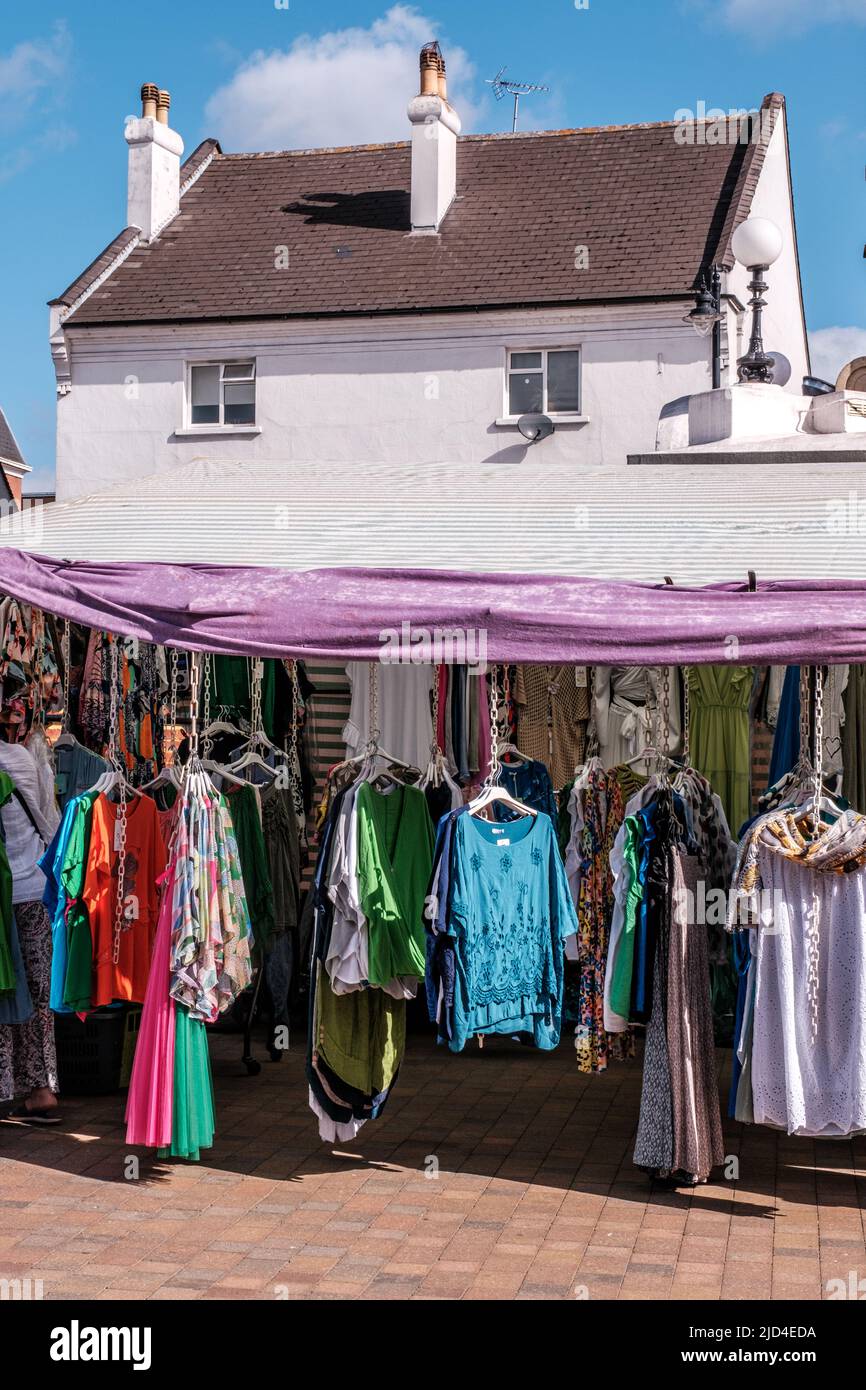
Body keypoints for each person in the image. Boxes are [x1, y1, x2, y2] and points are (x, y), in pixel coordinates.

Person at [0, 735, 61, 1124]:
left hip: (5, 894)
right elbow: (47, 818)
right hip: (35, 890)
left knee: (6, 990)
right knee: (39, 995)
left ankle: (6, 1086)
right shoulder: (21, 756)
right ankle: (41, 1090)